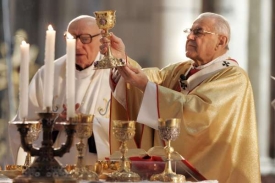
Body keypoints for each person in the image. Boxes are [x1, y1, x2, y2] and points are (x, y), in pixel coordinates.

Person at [102, 12, 261, 182]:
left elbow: (202, 116)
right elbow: (153, 78)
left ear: (221, 41)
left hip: (213, 171)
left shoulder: (233, 77)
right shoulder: (182, 69)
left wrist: (144, 86)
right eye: (189, 31)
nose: (190, 37)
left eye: (198, 32)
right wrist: (122, 61)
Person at [9, 15, 113, 166]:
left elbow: (128, 130)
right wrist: (52, 125)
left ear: (101, 39)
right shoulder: (48, 74)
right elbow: (20, 126)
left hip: (98, 172)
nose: (77, 46)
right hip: (55, 172)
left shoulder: (115, 74)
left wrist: (90, 125)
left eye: (85, 38)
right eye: (71, 38)